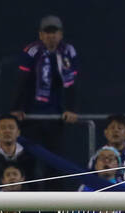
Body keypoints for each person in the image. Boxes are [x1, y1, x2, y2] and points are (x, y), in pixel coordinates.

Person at [12, 15, 79, 154]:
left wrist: (71, 109)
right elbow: (22, 82)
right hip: (32, 113)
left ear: (60, 34)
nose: (51, 36)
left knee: (55, 157)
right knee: (28, 155)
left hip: (57, 114)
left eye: (54, 32)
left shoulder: (68, 51)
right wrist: (17, 108)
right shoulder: (31, 51)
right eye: (47, 32)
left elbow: (72, 82)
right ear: (41, 35)